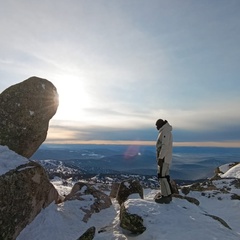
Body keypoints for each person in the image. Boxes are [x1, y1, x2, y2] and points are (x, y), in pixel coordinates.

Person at [155, 119, 173, 204]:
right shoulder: (166, 130)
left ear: (160, 125)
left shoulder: (165, 131)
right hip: (166, 158)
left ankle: (165, 196)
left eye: (157, 125)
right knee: (165, 176)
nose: (156, 127)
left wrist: (160, 158)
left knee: (161, 176)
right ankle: (168, 194)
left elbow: (164, 146)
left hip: (164, 158)